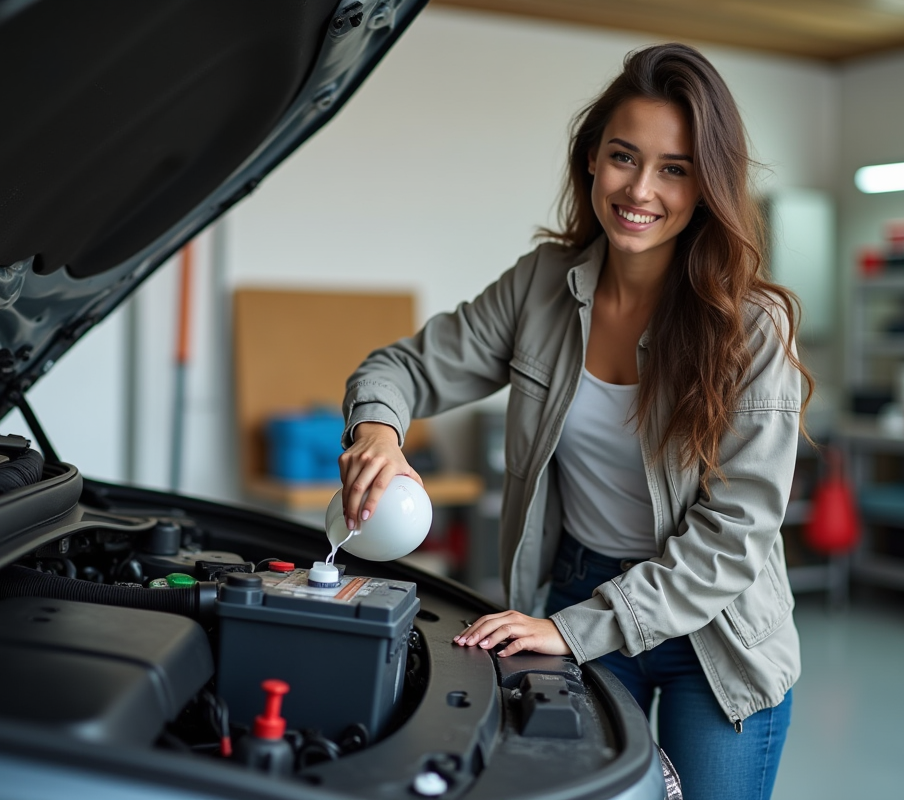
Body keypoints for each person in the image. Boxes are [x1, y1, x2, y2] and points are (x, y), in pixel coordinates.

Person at [338, 42, 813, 800]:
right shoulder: (540, 288)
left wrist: (571, 632)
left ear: (706, 186)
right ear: (592, 158)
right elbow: (402, 368)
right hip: (580, 587)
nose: (641, 189)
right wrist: (378, 434)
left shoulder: (751, 330)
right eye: (624, 157)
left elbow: (735, 539)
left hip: (715, 637)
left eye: (675, 168)